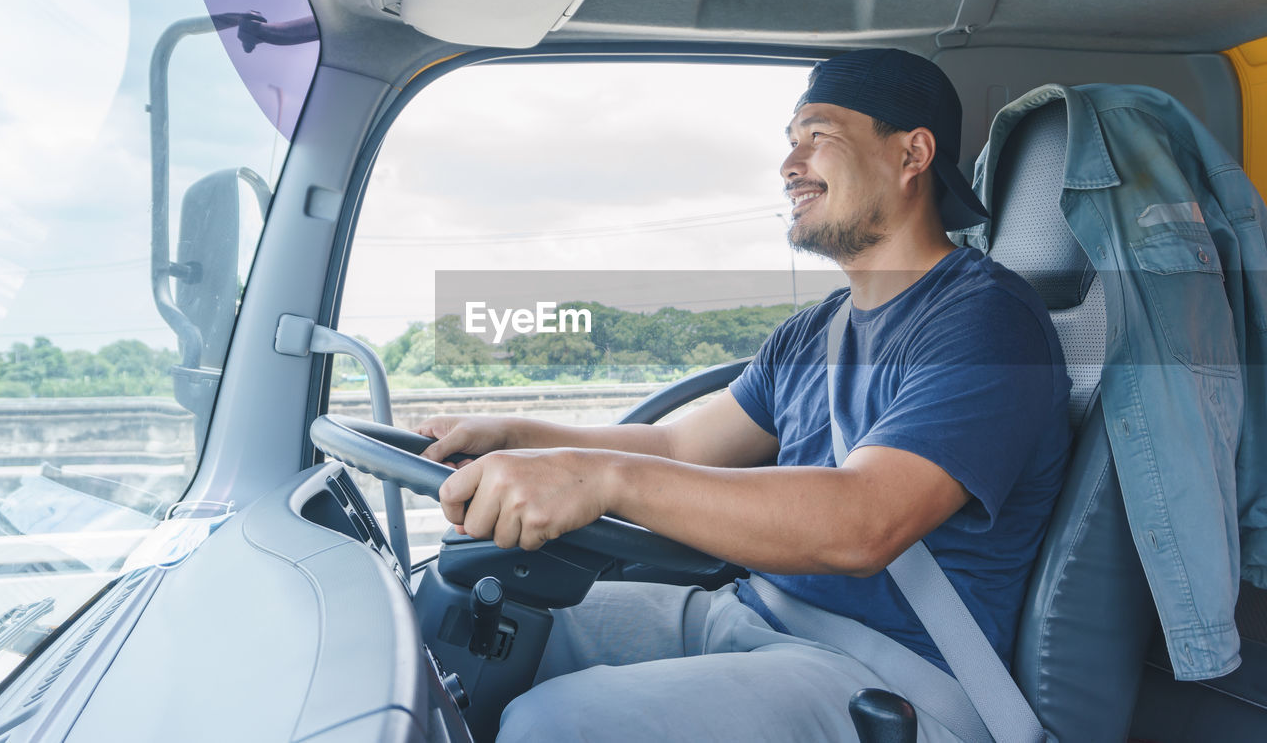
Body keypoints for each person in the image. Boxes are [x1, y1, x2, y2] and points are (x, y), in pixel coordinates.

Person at [415, 49, 1072, 741]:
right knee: (469, 622)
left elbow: (865, 522)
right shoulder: (814, 333)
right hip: (752, 613)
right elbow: (679, 444)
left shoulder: (988, 321)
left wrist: (602, 479)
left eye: (817, 136)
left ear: (912, 154)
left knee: (553, 726)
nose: (789, 166)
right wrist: (515, 436)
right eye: (789, 143)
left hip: (888, 677)